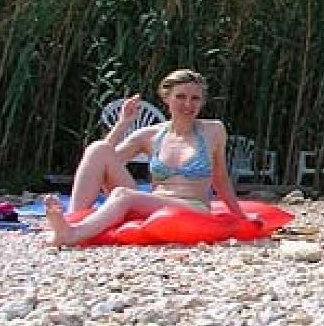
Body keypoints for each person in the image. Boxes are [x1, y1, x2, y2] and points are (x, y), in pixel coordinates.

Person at [44, 69, 258, 246]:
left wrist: (240, 216)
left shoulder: (213, 130)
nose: (188, 105)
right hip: (154, 203)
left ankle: (73, 234)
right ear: (166, 98)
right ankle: (73, 219)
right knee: (97, 148)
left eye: (195, 98)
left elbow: (220, 178)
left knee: (122, 194)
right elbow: (102, 160)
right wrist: (123, 124)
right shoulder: (150, 134)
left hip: (193, 206)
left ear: (202, 102)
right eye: (180, 97)